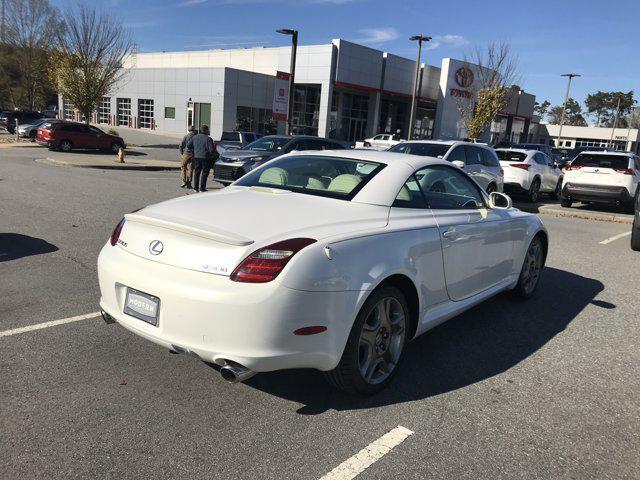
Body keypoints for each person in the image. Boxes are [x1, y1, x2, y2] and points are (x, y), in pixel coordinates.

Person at [186, 125, 216, 193]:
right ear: (205, 130)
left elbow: (188, 145)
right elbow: (211, 150)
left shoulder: (195, 137)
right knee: (204, 173)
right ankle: (202, 188)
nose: (209, 131)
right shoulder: (208, 139)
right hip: (205, 157)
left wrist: (195, 149)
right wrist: (214, 147)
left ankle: (196, 188)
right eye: (208, 130)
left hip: (196, 157)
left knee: (197, 172)